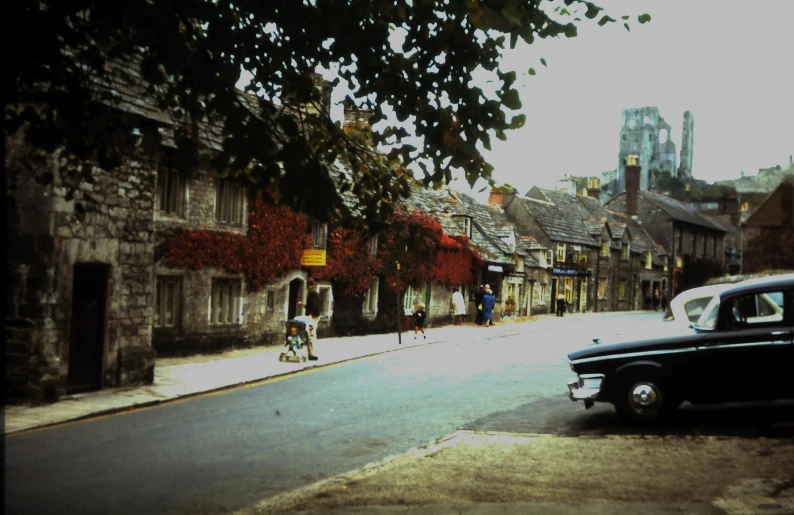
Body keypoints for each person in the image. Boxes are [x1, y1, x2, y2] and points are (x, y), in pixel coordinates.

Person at [297, 278, 320, 360]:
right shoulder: (314, 291)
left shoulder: (311, 292)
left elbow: (314, 305)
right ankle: (310, 353)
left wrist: (310, 315)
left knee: (311, 334)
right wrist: (304, 305)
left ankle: (312, 354)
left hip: (313, 317)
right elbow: (311, 305)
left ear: (308, 285)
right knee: (310, 334)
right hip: (315, 315)